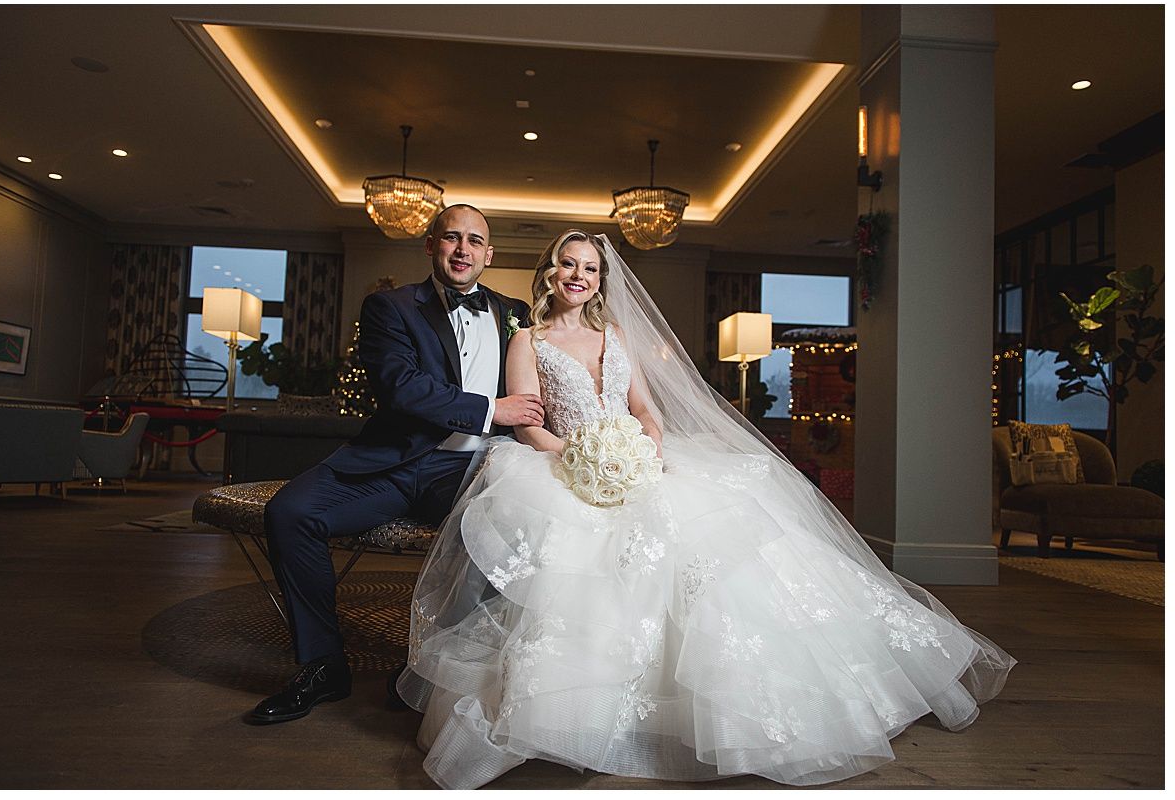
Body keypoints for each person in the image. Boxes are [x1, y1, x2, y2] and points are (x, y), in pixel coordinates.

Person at [395, 230, 1016, 788]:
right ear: (549, 275)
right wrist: (579, 462)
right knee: (583, 571)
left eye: (589, 267)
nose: (578, 275)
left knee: (722, 557)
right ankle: (578, 716)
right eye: (567, 265)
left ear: (599, 280)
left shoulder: (616, 336)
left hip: (636, 460)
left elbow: (645, 409)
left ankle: (764, 703)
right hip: (566, 465)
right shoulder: (527, 340)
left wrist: (648, 449)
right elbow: (530, 423)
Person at [249, 204, 540, 725]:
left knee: (517, 527)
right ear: (431, 245)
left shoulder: (515, 312)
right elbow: (400, 388)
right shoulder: (390, 307)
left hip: (473, 472)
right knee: (290, 513)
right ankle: (323, 667)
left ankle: (435, 672)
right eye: (451, 238)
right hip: (394, 464)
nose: (462, 250)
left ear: (489, 254)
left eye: (474, 241)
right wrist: (489, 408)